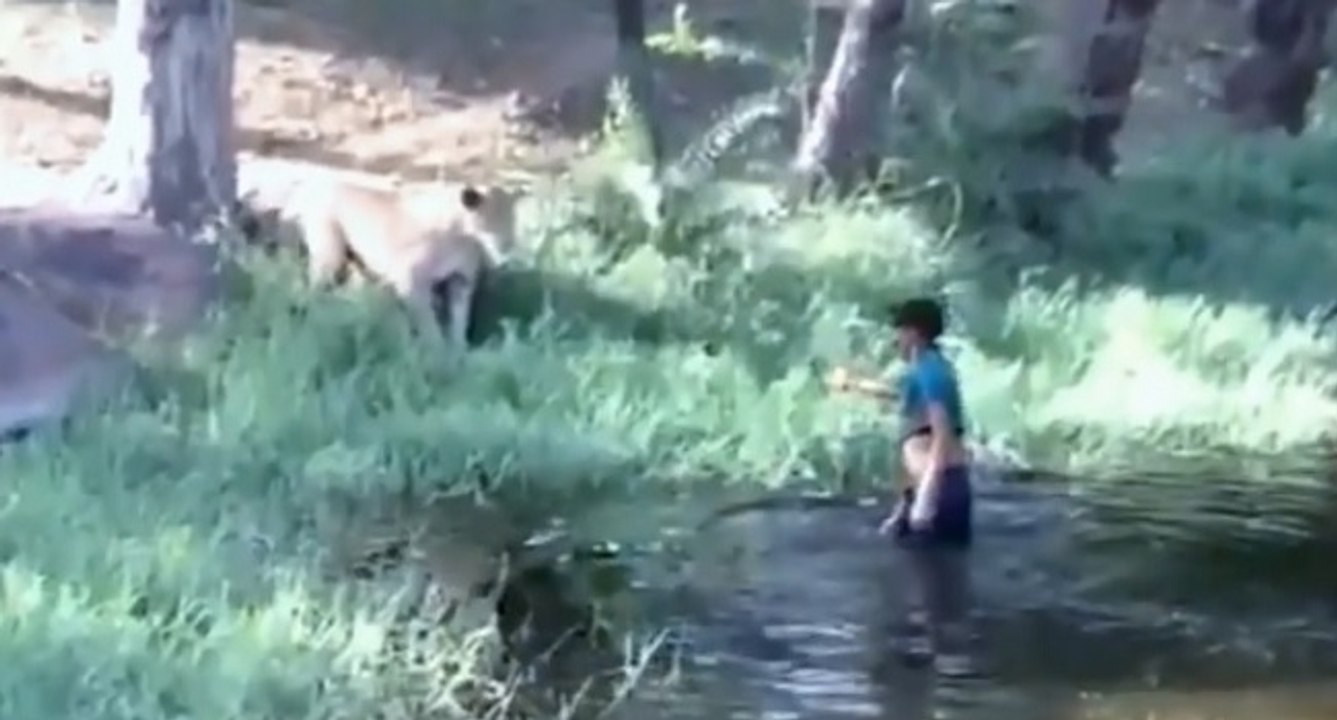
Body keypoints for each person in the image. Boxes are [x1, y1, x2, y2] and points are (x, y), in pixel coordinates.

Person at [825, 297, 973, 546]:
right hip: (934, 487)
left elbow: (942, 435)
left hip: (940, 491)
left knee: (933, 580)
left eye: (900, 330)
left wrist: (925, 500)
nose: (896, 339)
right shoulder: (926, 368)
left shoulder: (931, 372)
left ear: (915, 333)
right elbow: (894, 393)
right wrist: (852, 385)